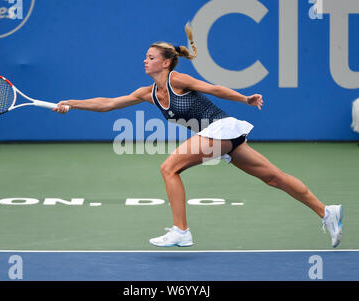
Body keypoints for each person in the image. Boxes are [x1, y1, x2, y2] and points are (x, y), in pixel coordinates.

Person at [53, 23, 343, 248]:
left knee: (169, 167)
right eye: (145, 57)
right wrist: (71, 103)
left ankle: (181, 231)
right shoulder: (148, 93)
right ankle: (326, 211)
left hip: (221, 128)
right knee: (274, 177)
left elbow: (213, 89)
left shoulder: (177, 79)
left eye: (150, 57)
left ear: (165, 63)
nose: (145, 61)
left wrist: (245, 99)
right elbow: (108, 104)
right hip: (221, 137)